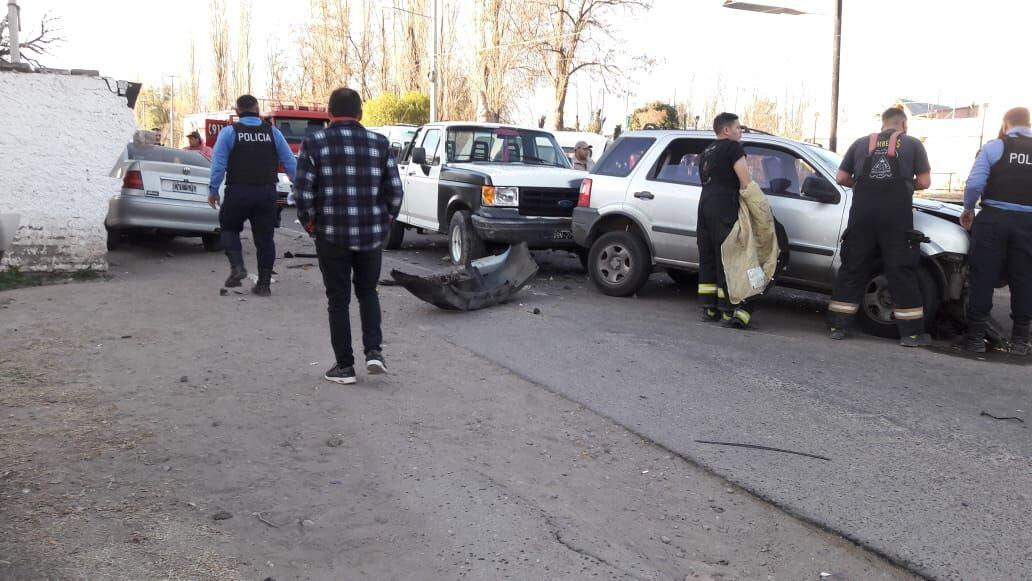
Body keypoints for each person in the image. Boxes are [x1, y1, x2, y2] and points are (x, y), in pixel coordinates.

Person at [294, 87, 404, 385]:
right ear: (360, 114)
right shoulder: (380, 144)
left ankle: (344, 367)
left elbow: (302, 194)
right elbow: (395, 191)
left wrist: (313, 227)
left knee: (338, 300)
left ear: (328, 114)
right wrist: (384, 223)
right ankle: (374, 353)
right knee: (368, 292)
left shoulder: (314, 142)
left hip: (331, 236)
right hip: (370, 236)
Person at [826, 107, 932, 347]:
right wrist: (904, 186)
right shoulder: (913, 144)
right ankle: (911, 334)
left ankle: (837, 326)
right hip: (896, 218)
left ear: (883, 124)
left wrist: (865, 184)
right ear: (903, 124)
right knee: (901, 271)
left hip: (862, 216)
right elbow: (924, 181)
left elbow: (841, 178)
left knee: (852, 267)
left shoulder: (860, 144)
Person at [959, 107, 1032, 355]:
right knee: (1024, 279)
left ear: (1005, 123)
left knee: (983, 277)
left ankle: (976, 338)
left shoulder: (994, 147)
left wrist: (968, 209)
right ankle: (1021, 341)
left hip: (993, 219)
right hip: (1028, 222)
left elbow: (975, 184)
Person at [207, 94, 297, 296]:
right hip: (266, 192)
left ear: (237, 112)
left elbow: (218, 165)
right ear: (258, 111)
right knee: (265, 238)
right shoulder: (273, 133)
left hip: (238, 190)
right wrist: (299, 186)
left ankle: (237, 267)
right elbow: (291, 163)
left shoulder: (229, 133)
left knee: (229, 229)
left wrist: (213, 190)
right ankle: (264, 285)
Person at [697, 112, 755, 328]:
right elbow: (745, 179)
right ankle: (726, 310)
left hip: (704, 206)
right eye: (738, 128)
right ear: (726, 130)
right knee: (726, 257)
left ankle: (708, 307)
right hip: (724, 206)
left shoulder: (706, 151)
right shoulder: (733, 148)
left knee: (708, 256)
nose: (740, 131)